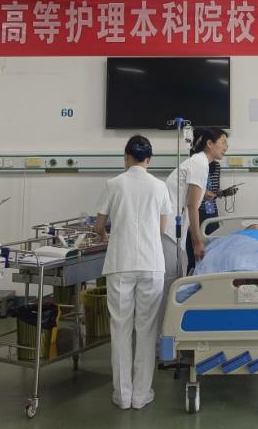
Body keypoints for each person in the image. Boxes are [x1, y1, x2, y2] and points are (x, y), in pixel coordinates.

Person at [93, 135, 172, 410]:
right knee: (147, 330)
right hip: (151, 263)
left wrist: (104, 234)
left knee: (120, 329)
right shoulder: (160, 186)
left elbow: (99, 225)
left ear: (126, 157)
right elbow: (161, 228)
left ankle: (122, 395)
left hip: (120, 263)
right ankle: (141, 395)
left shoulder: (114, 184)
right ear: (149, 159)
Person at [164, 127, 229, 274]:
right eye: (223, 142)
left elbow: (189, 195)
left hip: (173, 226)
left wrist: (202, 195)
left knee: (176, 273)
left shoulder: (199, 162)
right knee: (171, 276)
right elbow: (192, 205)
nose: (226, 147)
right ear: (209, 144)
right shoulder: (199, 163)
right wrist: (198, 242)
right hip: (170, 227)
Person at [185, 151, 239, 273]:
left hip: (212, 212)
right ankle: (191, 277)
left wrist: (225, 193)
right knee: (193, 254)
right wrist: (202, 195)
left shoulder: (216, 166)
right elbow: (188, 191)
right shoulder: (194, 165)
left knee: (213, 252)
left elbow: (215, 191)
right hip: (196, 212)